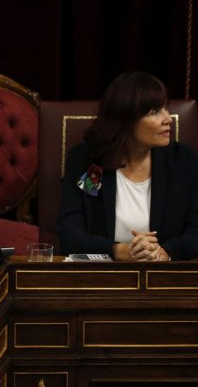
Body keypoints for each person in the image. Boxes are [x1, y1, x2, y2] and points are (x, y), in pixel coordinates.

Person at [57, 72, 198, 261]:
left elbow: (195, 231)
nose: (168, 119)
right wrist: (118, 251)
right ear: (125, 120)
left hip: (163, 277)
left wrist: (165, 252)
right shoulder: (89, 161)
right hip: (102, 277)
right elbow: (70, 232)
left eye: (165, 108)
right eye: (155, 112)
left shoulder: (182, 161)